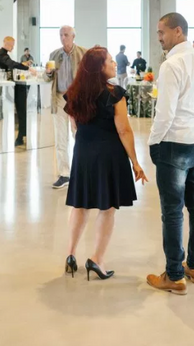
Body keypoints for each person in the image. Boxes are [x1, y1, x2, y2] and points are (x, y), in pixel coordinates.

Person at [147, 13, 194, 295]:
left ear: (178, 31)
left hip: (174, 144)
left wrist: (153, 142)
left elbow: (165, 114)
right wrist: (193, 108)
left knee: (172, 210)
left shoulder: (171, 65)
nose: (159, 37)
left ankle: (175, 276)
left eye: (162, 32)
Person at [63, 46, 147, 281]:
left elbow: (75, 126)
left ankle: (70, 255)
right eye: (110, 61)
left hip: (83, 153)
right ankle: (97, 260)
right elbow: (124, 130)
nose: (114, 64)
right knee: (107, 208)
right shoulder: (114, 93)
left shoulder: (74, 93)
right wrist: (135, 162)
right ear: (99, 67)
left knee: (80, 205)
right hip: (109, 154)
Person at [45, 26, 87, 189]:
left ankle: (81, 171)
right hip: (59, 99)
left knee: (80, 136)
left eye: (66, 35)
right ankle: (64, 174)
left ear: (73, 36)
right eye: (61, 35)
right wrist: (48, 73)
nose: (63, 38)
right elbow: (47, 78)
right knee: (60, 138)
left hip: (77, 100)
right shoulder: (54, 55)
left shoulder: (83, 53)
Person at [0, 36, 36, 146]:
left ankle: (17, 134)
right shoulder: (3, 55)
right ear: (7, 44)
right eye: (12, 45)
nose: (13, 47)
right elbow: (11, 64)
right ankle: (19, 135)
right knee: (18, 109)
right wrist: (28, 68)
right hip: (6, 88)